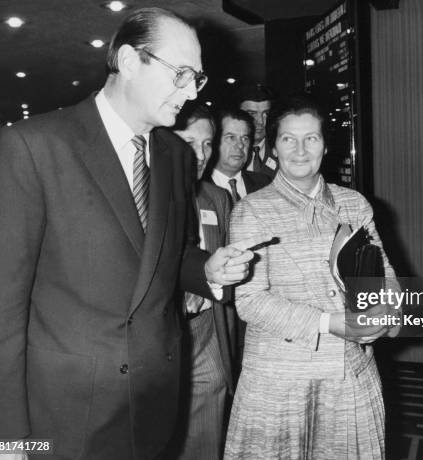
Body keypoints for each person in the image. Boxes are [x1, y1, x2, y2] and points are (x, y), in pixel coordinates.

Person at [0, 8, 254, 460]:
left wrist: (203, 266)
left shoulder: (174, 155)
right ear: (129, 61)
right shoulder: (34, 146)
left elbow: (162, 251)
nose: (190, 92)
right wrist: (4, 441)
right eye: (182, 74)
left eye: (198, 80)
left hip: (153, 405)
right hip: (64, 416)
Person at [224, 94, 401, 459]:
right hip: (279, 382)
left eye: (312, 138)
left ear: (325, 145)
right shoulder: (252, 211)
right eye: (288, 138)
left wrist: (388, 310)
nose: (300, 150)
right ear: (273, 146)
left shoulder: (354, 204)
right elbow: (251, 301)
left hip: (350, 374)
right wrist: (327, 322)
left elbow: (384, 275)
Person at [172, 106, 238, 460]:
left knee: (205, 438)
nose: (199, 155)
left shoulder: (216, 198)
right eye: (188, 142)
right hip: (158, 335)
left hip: (207, 333)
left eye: (207, 143)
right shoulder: (136, 196)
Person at [209, 108, 270, 201]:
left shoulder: (264, 184)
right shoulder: (197, 189)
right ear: (214, 141)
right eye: (231, 137)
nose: (240, 145)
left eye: (245, 138)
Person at [237, 83, 277, 179]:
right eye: (252, 114)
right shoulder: (223, 154)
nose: (260, 121)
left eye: (266, 113)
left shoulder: (282, 151)